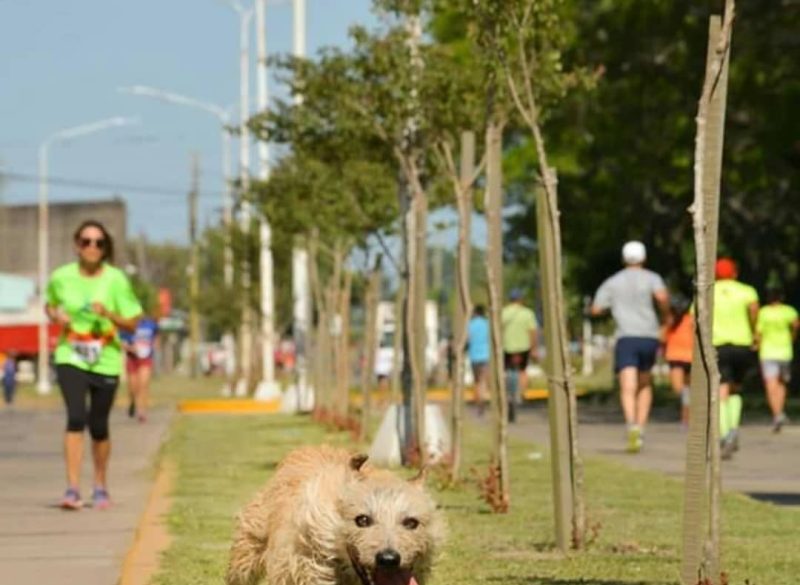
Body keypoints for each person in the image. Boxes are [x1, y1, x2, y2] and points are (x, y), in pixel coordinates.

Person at [46, 219, 142, 510]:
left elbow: (133, 322)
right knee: (76, 418)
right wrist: (55, 315)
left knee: (98, 426)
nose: (92, 247)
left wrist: (109, 313)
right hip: (70, 355)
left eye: (98, 243)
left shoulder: (115, 280)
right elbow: (50, 305)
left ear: (104, 248)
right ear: (77, 245)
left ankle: (100, 485)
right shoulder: (61, 277)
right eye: (86, 241)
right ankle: (73, 488)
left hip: (105, 358)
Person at [591, 241, 669, 453]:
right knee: (645, 383)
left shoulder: (613, 281)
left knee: (628, 385)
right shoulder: (652, 278)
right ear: (644, 258)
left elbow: (596, 308)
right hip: (649, 335)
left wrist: (615, 308)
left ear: (623, 259)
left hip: (626, 335)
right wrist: (665, 316)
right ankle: (641, 427)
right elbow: (662, 297)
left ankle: (631, 424)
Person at [712, 257, 759, 459]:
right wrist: (754, 331)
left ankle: (724, 433)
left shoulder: (709, 291)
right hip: (742, 343)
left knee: (721, 388)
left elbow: (695, 316)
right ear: (735, 273)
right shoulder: (747, 290)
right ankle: (733, 427)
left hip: (719, 344)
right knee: (736, 388)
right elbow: (754, 309)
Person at [755, 286, 798, 433]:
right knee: (781, 384)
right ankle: (780, 412)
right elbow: (795, 325)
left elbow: (758, 333)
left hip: (767, 352)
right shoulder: (789, 311)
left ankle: (777, 414)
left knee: (770, 385)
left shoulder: (764, 312)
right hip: (785, 351)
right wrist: (792, 337)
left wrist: (757, 344)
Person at [501, 289, 539, 422]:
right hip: (523, 347)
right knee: (523, 371)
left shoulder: (504, 313)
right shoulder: (528, 313)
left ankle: (507, 394)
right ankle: (520, 395)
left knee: (505, 371)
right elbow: (533, 332)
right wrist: (534, 348)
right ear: (521, 299)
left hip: (507, 347)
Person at [121, 310, 159, 423]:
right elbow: (121, 342)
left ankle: (142, 411)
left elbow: (156, 335)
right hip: (132, 358)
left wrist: (154, 345)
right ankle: (132, 402)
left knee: (144, 384)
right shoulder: (127, 325)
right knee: (134, 387)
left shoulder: (150, 325)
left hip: (146, 358)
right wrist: (130, 348)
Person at [665, 294, 693, 427]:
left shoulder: (691, 320)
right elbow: (661, 338)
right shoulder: (669, 322)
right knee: (679, 389)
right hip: (675, 357)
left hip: (691, 358)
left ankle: (687, 416)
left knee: (689, 389)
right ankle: (686, 414)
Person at [466, 304, 490, 415]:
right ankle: (483, 399)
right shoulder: (487, 324)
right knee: (483, 380)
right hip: (485, 355)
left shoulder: (470, 324)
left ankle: (479, 402)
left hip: (474, 356)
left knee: (476, 381)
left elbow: (467, 339)